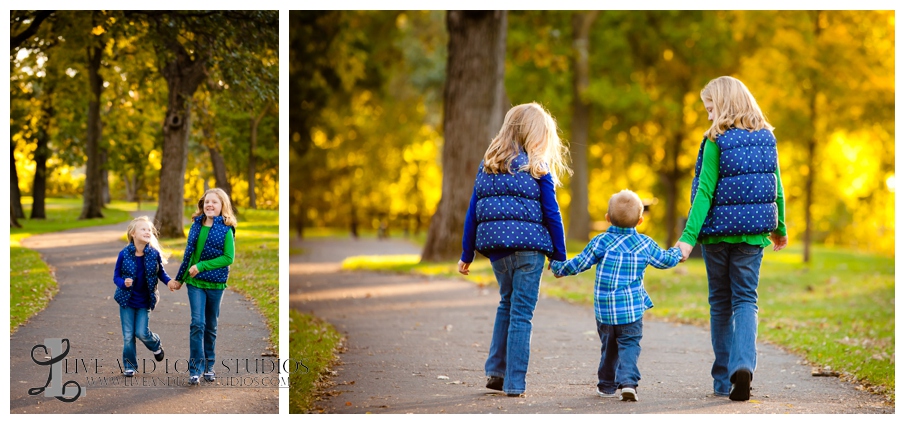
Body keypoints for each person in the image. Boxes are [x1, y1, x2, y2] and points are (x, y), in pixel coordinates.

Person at [675, 76, 788, 401]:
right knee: (745, 300)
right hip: (753, 236)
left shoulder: (716, 139)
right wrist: (780, 227)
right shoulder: (767, 138)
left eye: (710, 108)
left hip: (715, 237)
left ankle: (723, 379)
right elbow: (777, 186)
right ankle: (744, 366)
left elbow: (704, 192)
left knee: (720, 304)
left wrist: (688, 238)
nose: (709, 116)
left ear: (722, 106)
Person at [457, 102, 571, 397]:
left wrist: (466, 254)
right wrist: (559, 256)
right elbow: (552, 213)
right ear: (535, 136)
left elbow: (473, 212)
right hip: (530, 252)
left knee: (506, 303)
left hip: (498, 253)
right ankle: (515, 383)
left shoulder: (488, 165)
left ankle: (496, 373)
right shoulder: (538, 168)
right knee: (522, 313)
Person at [551, 190, 681, 402]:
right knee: (629, 345)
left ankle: (606, 385)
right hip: (631, 310)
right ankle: (628, 383)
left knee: (609, 346)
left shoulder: (600, 241)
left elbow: (580, 263)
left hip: (605, 311)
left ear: (607, 218)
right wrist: (678, 253)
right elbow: (665, 260)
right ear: (640, 221)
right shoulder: (645, 244)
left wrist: (559, 268)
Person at [172, 188, 237, 386]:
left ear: (222, 206)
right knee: (197, 323)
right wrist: (180, 279)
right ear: (202, 205)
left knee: (211, 325)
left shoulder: (227, 229)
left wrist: (201, 266)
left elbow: (228, 258)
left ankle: (210, 365)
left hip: (216, 283)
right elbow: (188, 255)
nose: (210, 205)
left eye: (214, 202)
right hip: (195, 284)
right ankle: (195, 369)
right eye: (207, 201)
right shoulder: (196, 226)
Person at [113, 216, 175, 377]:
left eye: (149, 229)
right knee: (128, 335)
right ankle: (130, 366)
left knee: (141, 332)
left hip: (145, 300)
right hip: (126, 300)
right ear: (133, 233)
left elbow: (161, 272)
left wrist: (169, 282)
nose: (147, 231)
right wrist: (122, 283)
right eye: (143, 229)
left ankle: (155, 345)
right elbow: (116, 276)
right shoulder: (124, 254)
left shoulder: (153, 254)